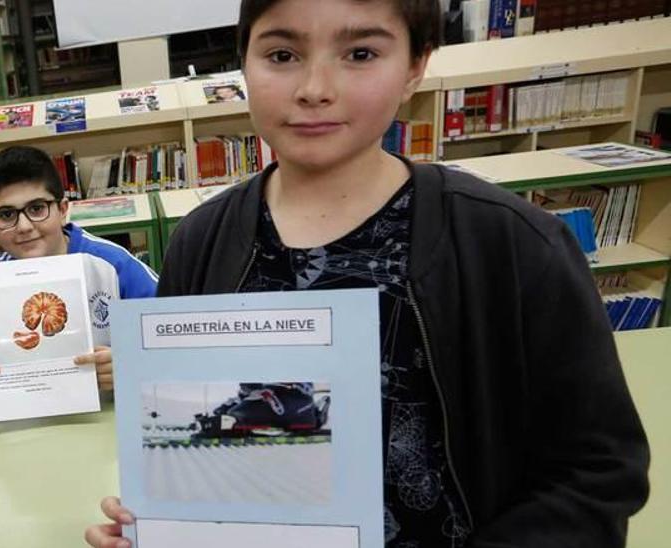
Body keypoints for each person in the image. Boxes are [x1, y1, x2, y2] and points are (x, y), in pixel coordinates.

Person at [85, 0, 650, 546]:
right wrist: (160, 520)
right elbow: (197, 439)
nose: (314, 89)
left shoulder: (513, 244)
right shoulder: (201, 242)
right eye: (282, 55)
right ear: (244, 63)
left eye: (360, 54)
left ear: (415, 67)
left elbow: (597, 473)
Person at [0, 146, 159, 407]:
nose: (24, 226)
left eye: (37, 208)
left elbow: (180, 338)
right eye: (6, 215)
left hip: (110, 421)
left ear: (63, 209)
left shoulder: (113, 266)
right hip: (19, 429)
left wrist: (133, 365)